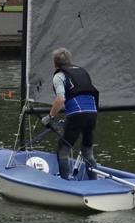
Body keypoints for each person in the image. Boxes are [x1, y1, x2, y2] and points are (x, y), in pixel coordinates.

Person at [42, 47, 99, 180]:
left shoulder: (59, 76)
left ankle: (65, 182)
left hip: (77, 114)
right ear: (70, 61)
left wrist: (49, 117)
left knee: (63, 151)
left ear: (54, 63)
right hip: (92, 112)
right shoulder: (83, 71)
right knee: (87, 152)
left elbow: (61, 99)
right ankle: (94, 181)